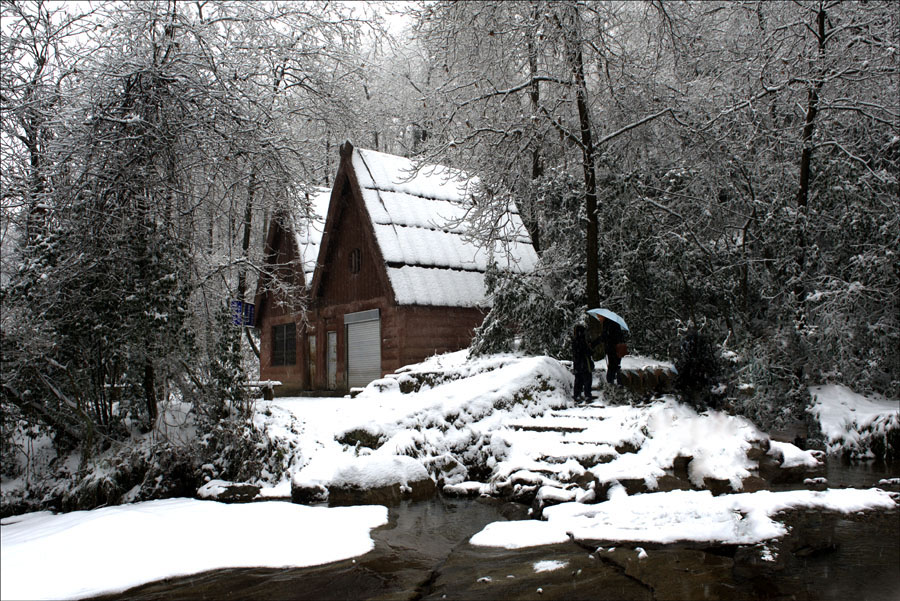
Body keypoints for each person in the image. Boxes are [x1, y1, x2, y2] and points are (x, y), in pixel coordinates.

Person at [571, 324, 600, 401]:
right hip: (585, 363)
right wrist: (591, 350)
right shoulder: (583, 341)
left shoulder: (574, 341)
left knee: (578, 380)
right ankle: (587, 395)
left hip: (577, 363)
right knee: (587, 379)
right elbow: (588, 352)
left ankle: (577, 395)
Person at [598, 316, 625, 385]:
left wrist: (604, 339)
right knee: (615, 366)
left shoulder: (608, 325)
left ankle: (612, 382)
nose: (599, 318)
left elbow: (606, 337)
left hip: (613, 349)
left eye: (599, 317)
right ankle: (618, 381)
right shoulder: (612, 324)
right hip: (615, 349)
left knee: (612, 366)